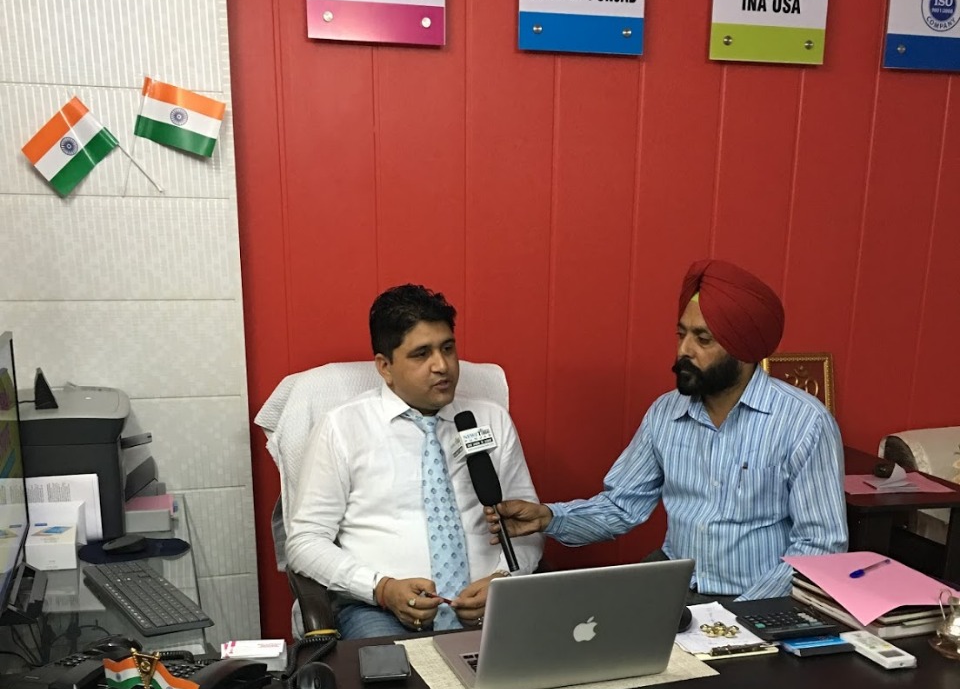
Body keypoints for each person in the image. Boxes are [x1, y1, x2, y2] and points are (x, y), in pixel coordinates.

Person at [488, 259, 847, 601]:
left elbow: (820, 545)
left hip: (760, 599)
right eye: (681, 334)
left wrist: (745, 613)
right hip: (676, 592)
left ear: (743, 349)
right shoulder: (665, 414)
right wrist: (549, 518)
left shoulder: (803, 423)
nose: (684, 351)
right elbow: (621, 506)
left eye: (703, 339)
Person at [285, 283, 542, 639]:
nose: (442, 366)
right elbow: (305, 541)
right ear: (385, 367)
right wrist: (381, 588)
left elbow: (528, 525)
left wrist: (504, 579)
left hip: (491, 602)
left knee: (556, 660)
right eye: (421, 354)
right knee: (394, 671)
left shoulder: (490, 419)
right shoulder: (343, 427)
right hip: (379, 609)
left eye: (448, 348)